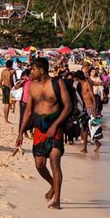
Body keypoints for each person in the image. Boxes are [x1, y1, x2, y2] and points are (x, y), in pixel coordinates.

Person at [16, 58, 72, 209]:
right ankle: (52, 184)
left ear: (41, 70)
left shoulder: (57, 83)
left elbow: (68, 106)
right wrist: (20, 132)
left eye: (33, 69)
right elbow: (28, 111)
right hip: (39, 128)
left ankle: (57, 201)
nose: (31, 72)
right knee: (39, 164)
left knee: (54, 161)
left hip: (56, 128)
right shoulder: (32, 86)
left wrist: (55, 125)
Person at [74, 70, 99, 153]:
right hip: (85, 108)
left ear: (78, 78)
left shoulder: (87, 84)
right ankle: (86, 147)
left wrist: (95, 110)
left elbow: (93, 96)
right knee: (85, 128)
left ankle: (96, 143)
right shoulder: (80, 85)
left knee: (91, 128)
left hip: (91, 108)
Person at [13, 69, 32, 137]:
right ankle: (21, 133)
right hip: (24, 102)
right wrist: (22, 81)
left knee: (30, 119)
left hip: (31, 103)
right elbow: (15, 87)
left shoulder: (33, 81)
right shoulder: (25, 82)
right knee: (22, 119)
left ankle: (26, 131)